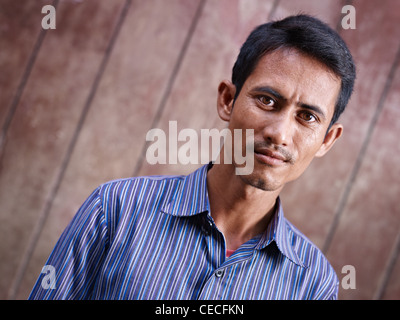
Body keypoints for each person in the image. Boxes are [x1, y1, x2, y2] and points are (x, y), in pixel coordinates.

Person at [29, 14, 356, 300]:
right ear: (228, 100)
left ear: (327, 139)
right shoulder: (114, 211)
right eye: (267, 101)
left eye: (307, 117)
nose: (280, 134)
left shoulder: (312, 284)